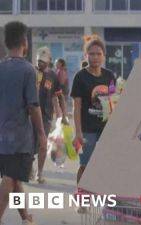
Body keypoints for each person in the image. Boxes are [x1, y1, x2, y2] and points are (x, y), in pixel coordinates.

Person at [0, 21, 46, 225]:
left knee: (15, 178)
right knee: (10, 179)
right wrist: (43, 134)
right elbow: (33, 106)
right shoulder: (28, 70)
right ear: (24, 42)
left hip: (2, 137)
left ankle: (25, 216)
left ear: (6, 42)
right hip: (18, 138)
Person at [70, 35, 116, 193]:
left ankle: (104, 198)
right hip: (87, 129)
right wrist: (78, 132)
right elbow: (76, 107)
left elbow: (113, 101)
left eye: (98, 53)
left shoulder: (109, 76)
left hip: (106, 129)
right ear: (86, 55)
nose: (95, 57)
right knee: (85, 165)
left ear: (104, 56)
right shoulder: (80, 77)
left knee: (106, 165)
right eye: (92, 53)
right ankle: (81, 197)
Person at [32, 47, 68, 184]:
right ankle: (29, 167)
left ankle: (39, 173)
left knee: (42, 144)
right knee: (29, 144)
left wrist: (63, 115)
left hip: (45, 117)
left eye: (42, 61)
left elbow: (59, 96)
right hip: (28, 115)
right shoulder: (30, 72)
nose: (40, 64)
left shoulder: (53, 76)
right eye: (38, 61)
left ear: (48, 62)